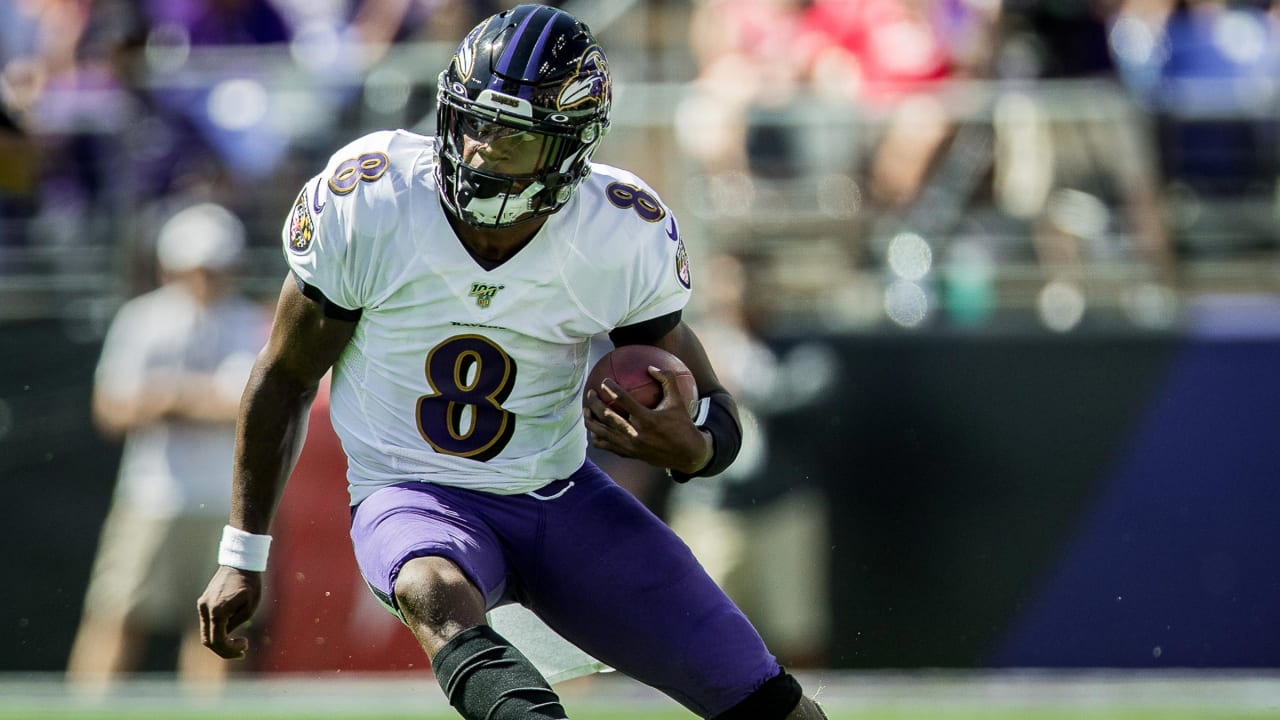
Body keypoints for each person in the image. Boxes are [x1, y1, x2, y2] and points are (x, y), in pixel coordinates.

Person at [197, 5, 829, 719]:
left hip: (559, 497)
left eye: (513, 138)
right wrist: (240, 552)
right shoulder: (374, 200)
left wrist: (699, 446)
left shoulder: (616, 231)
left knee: (770, 703)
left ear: (568, 149)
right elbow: (284, 375)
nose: (478, 153)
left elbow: (711, 399)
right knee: (430, 588)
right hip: (410, 492)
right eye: (472, 124)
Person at [67, 202, 268, 691]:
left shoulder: (251, 322)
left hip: (227, 503)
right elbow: (112, 409)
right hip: (152, 494)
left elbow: (251, 411)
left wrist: (169, 397)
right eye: (194, 268)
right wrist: (195, 399)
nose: (204, 280)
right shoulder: (143, 319)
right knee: (116, 615)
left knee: (218, 628)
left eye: (214, 268)